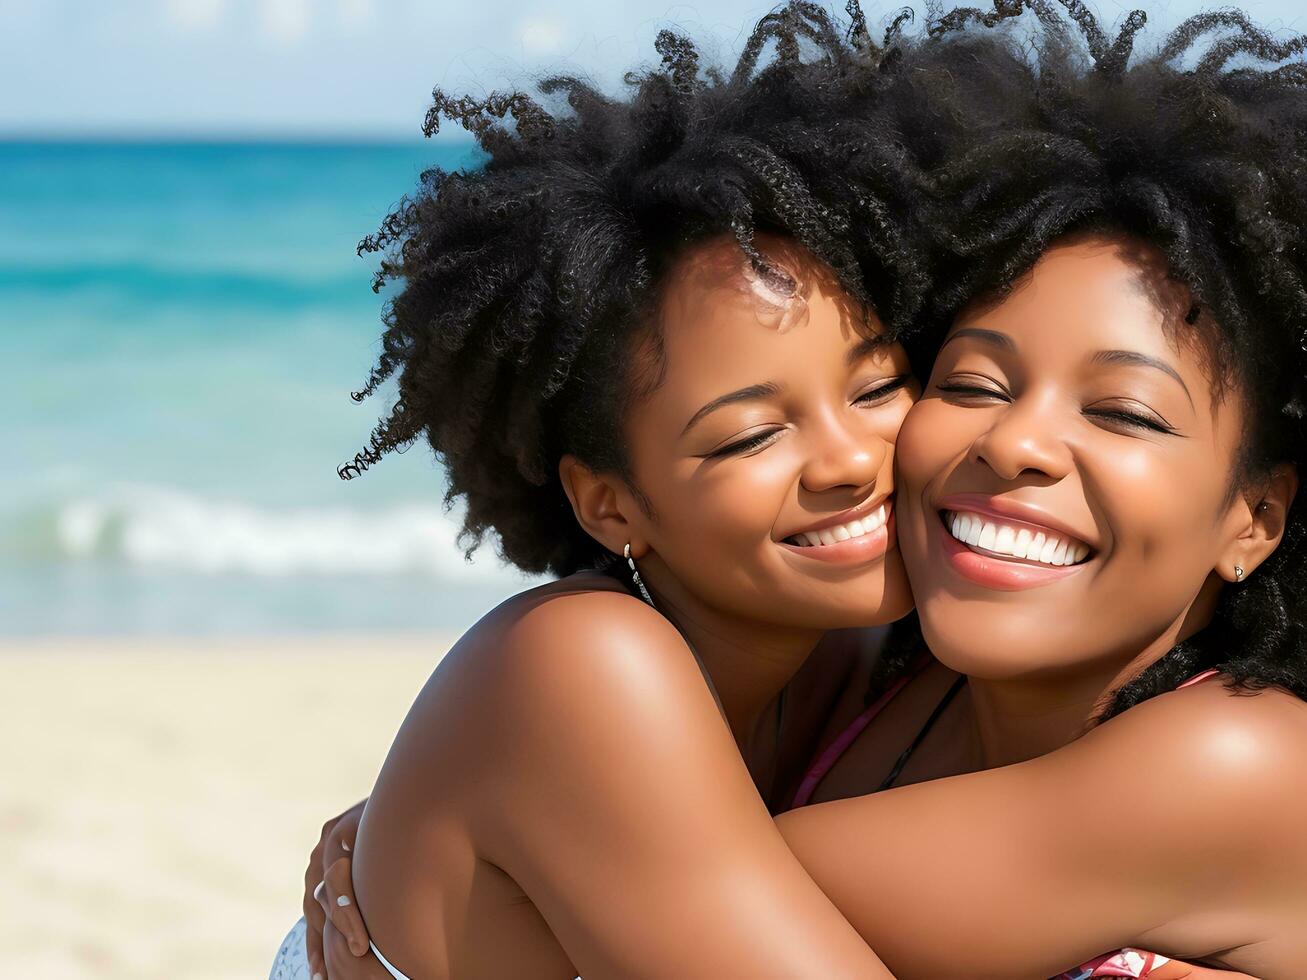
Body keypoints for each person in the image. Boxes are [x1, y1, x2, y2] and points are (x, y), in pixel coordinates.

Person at [283, 2, 1307, 977]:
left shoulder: (1241, 760)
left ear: (1253, 516)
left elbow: (645, 862)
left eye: (1123, 412)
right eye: (968, 381)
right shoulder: (848, 669)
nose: (1018, 442)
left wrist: (459, 819)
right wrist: (448, 814)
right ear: (608, 498)